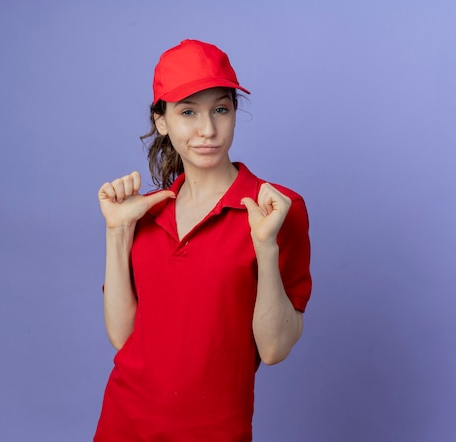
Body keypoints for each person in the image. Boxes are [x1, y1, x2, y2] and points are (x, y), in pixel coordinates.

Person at [94, 39, 312, 441]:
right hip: (123, 422)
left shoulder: (278, 209)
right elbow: (122, 337)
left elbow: (274, 349)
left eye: (221, 110)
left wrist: (265, 246)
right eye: (188, 112)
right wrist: (117, 231)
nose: (207, 130)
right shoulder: (147, 214)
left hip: (214, 430)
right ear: (161, 121)